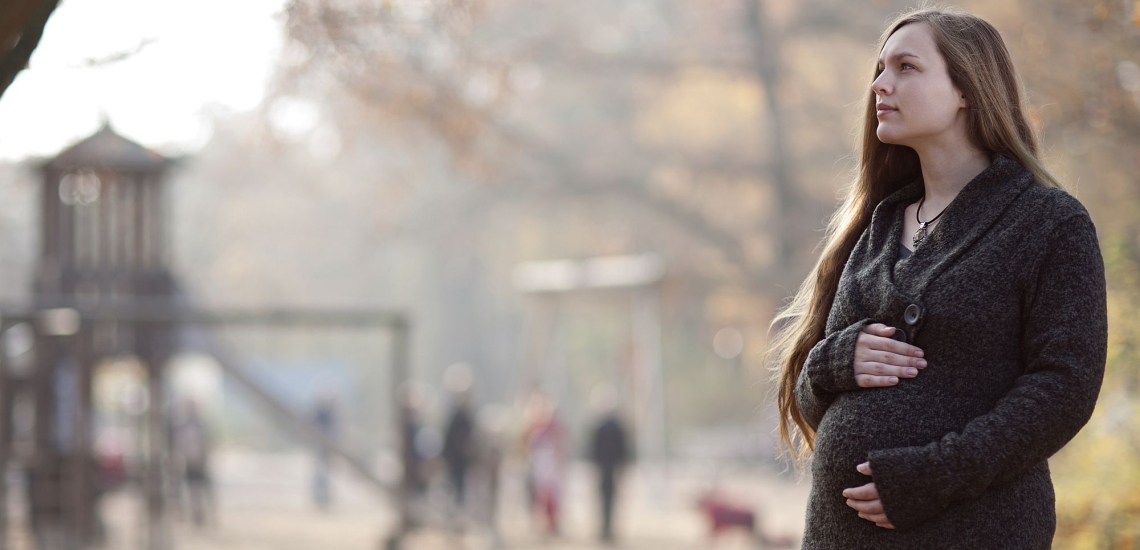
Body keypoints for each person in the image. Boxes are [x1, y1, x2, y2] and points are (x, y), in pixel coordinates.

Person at [768, 8, 1107, 549]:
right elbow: (810, 400)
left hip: (975, 529)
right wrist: (831, 362)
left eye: (906, 67)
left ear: (967, 88)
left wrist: (937, 474)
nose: (880, 84)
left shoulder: (1049, 223)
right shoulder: (873, 227)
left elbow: (1065, 388)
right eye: (879, 69)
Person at [588, 395, 629, 544]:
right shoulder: (617, 426)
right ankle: (607, 530)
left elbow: (593, 449)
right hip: (611, 468)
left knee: (603, 500)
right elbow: (623, 449)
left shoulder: (600, 426)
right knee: (610, 500)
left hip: (604, 468)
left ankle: (605, 530)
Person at [171, 399, 213, 528]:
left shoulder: (199, 426)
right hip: (188, 462)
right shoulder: (184, 427)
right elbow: (179, 445)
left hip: (198, 462)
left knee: (198, 491)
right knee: (188, 491)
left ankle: (200, 516)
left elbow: (205, 444)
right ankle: (188, 514)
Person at [311, 391, 338, 510]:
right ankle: (320, 498)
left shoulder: (331, 414)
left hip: (328, 448)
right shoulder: (320, 413)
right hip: (320, 448)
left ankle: (325, 498)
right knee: (321, 474)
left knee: (326, 474)